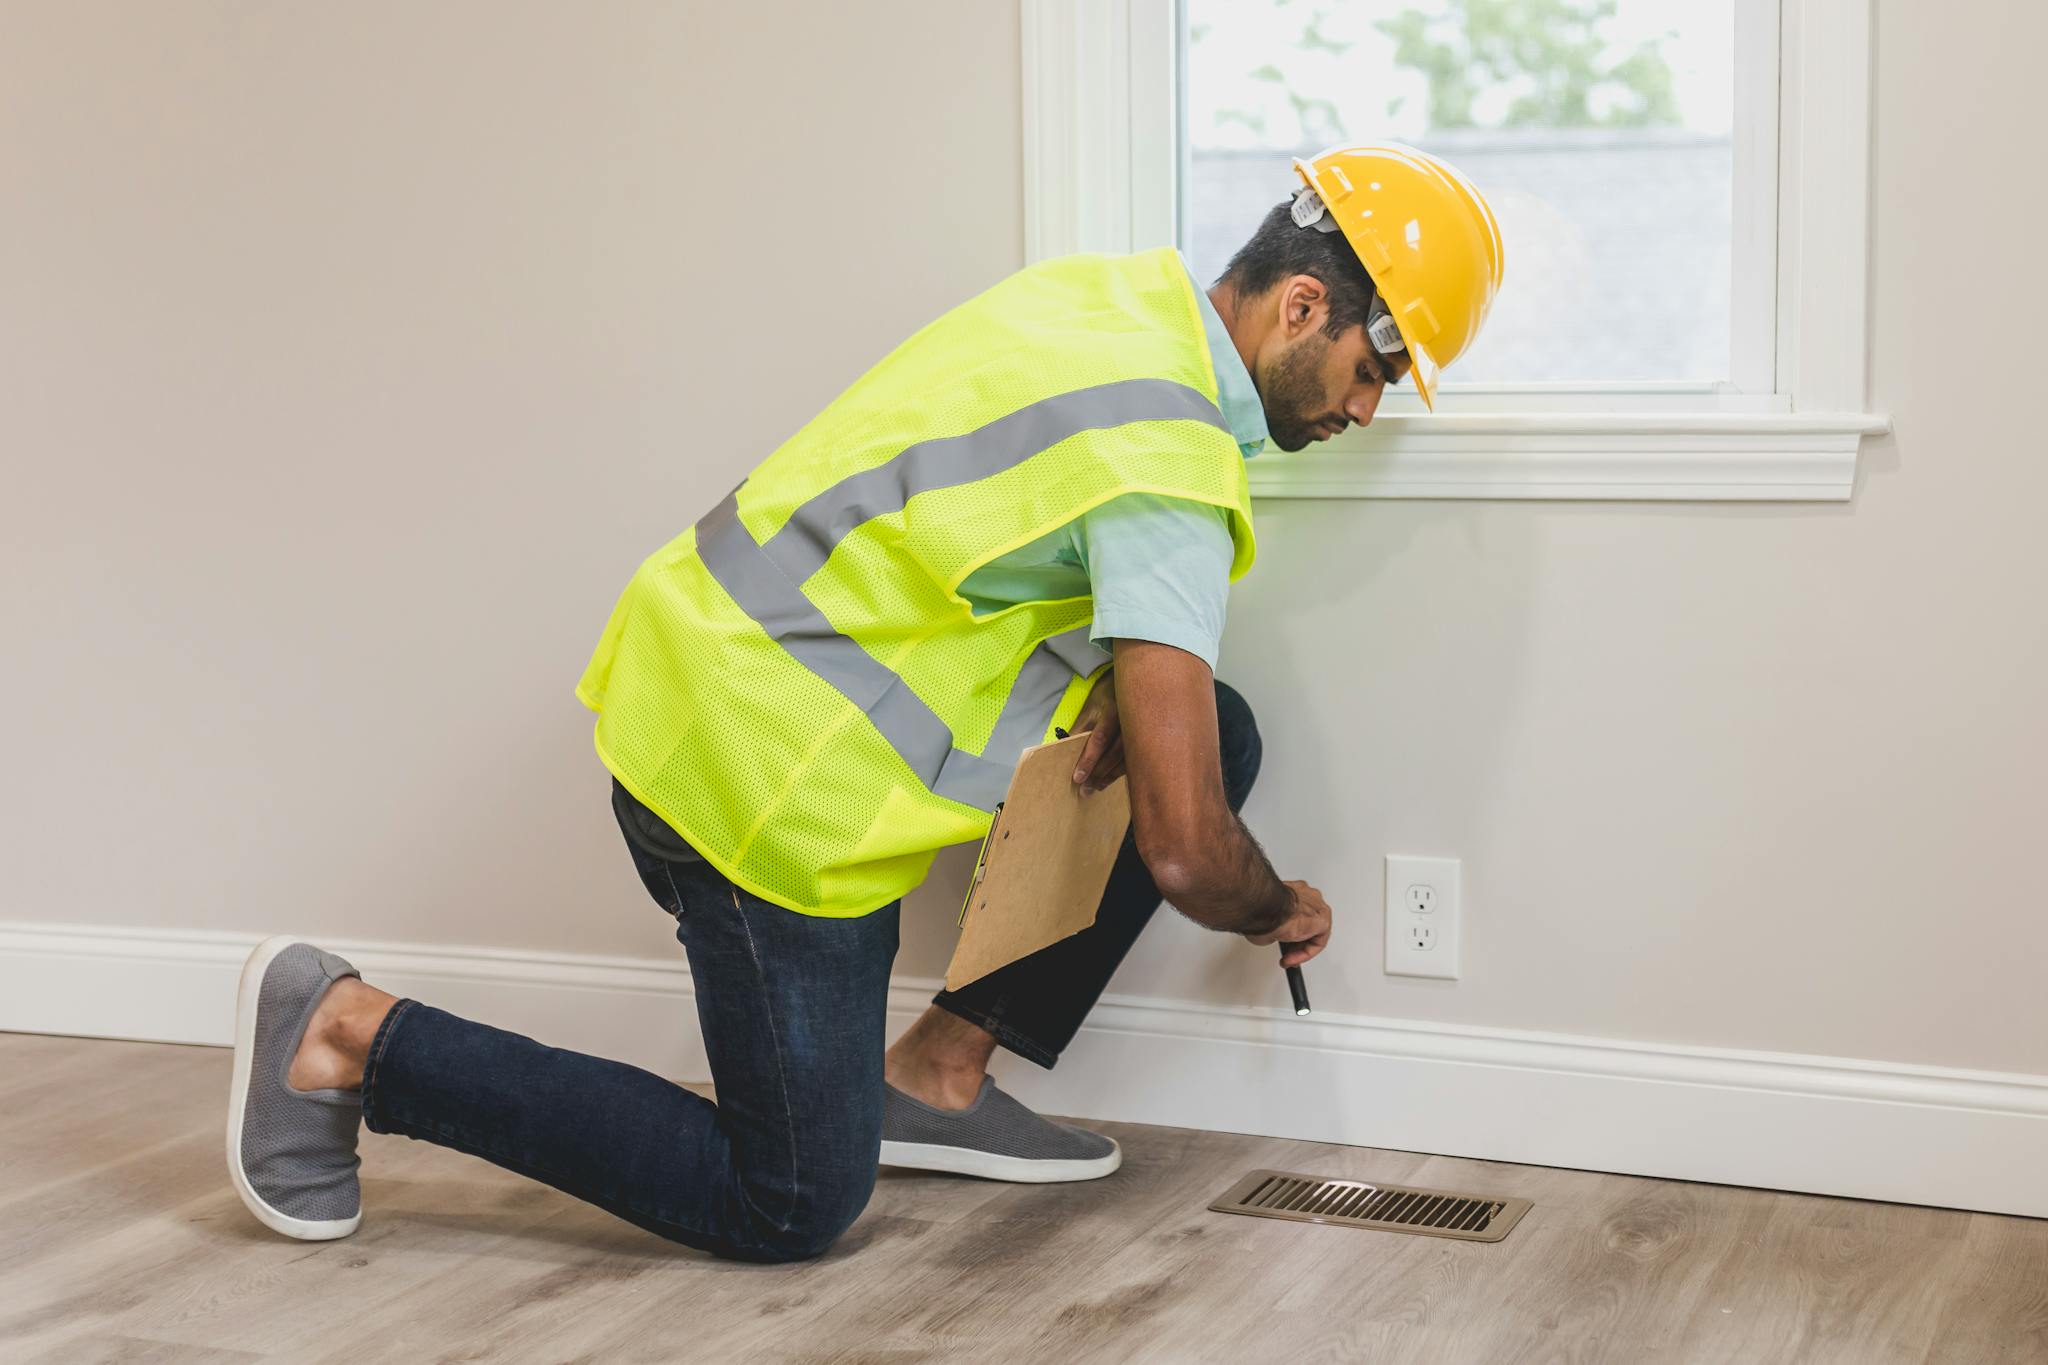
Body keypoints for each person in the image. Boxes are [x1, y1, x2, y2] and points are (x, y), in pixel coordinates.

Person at [224, 145, 1503, 1260]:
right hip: (759, 778)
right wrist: (1279, 905)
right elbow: (1181, 849)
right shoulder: (1168, 461)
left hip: (705, 664)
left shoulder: (1104, 302)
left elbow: (979, 541)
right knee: (788, 1203)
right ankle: (344, 1034)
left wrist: (1122, 683)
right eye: (1373, 365)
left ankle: (935, 1077)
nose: (1364, 407)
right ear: (1300, 304)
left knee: (1203, 723)